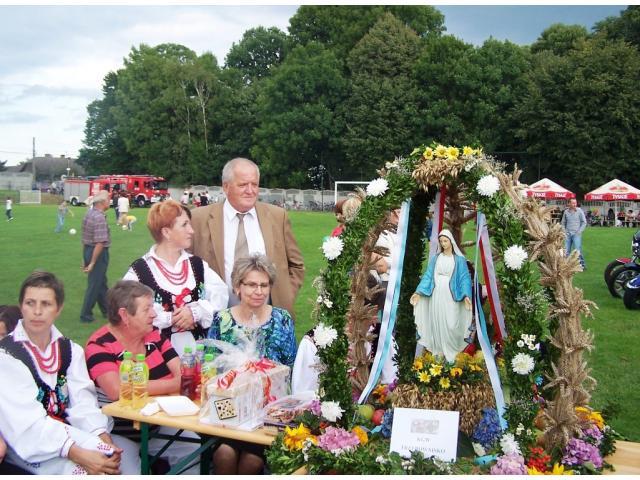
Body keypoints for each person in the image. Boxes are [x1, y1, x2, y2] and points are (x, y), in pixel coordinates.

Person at [0, 271, 140, 474]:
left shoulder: (70, 350)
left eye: (46, 304)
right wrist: (79, 454)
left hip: (71, 435)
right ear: (21, 306)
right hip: (30, 447)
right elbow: (27, 423)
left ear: (58, 309)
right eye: (30, 303)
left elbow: (83, 403)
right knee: (87, 472)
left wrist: (102, 439)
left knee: (119, 461)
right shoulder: (6, 355)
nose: (37, 311)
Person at [85, 280, 200, 474]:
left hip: (159, 423)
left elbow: (184, 374)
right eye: (147, 309)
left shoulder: (153, 334)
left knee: (196, 451)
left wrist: (173, 382)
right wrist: (173, 384)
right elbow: (117, 391)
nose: (154, 314)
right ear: (124, 315)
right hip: (119, 432)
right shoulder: (99, 345)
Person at [207, 253, 296, 474]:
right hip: (228, 407)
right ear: (238, 287)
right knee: (224, 454)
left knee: (252, 461)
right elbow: (209, 366)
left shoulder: (282, 319)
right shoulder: (222, 320)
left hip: (268, 412)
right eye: (252, 285)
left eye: (264, 285)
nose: (259, 291)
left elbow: (290, 367)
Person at [191, 157, 304, 313]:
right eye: (243, 185)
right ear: (226, 186)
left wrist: (285, 295)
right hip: (217, 318)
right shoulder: (198, 219)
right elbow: (186, 266)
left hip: (270, 317)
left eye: (254, 184)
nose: (250, 191)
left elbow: (296, 265)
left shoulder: (277, 216)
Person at [123, 199, 228, 354]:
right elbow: (129, 313)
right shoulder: (139, 271)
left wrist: (196, 312)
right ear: (166, 232)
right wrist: (171, 319)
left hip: (201, 358)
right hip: (157, 359)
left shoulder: (197, 265)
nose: (191, 231)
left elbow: (221, 296)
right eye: (184, 225)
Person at [410, 229, 473, 363]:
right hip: (437, 295)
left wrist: (466, 295)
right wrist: (418, 292)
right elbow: (428, 276)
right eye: (441, 241)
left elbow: (464, 279)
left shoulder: (459, 260)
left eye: (445, 241)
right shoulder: (436, 258)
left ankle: (451, 354)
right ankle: (439, 352)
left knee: (451, 323)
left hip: (451, 295)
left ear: (451, 242)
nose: (443, 244)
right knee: (437, 321)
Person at [80, 190, 111, 323]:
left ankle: (107, 310)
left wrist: (85, 258)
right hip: (98, 253)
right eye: (108, 200)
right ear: (103, 202)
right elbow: (100, 243)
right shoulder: (99, 218)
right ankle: (85, 314)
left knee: (101, 283)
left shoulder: (89, 214)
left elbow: (85, 238)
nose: (110, 202)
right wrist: (92, 262)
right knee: (94, 285)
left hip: (88, 250)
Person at [561, 198, 587, 270]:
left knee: (577, 251)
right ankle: (566, 266)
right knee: (566, 251)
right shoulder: (566, 212)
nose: (575, 204)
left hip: (576, 234)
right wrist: (564, 231)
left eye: (575, 203)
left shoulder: (579, 211)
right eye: (573, 203)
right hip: (567, 234)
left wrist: (579, 231)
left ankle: (582, 265)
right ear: (569, 204)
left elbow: (584, 222)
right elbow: (563, 223)